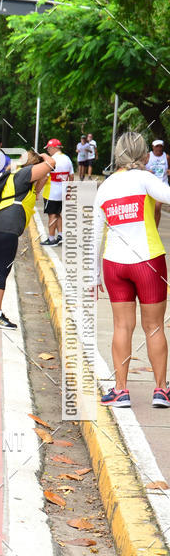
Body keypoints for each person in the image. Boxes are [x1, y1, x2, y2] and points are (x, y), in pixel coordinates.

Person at [95, 130, 170, 408]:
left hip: (113, 264)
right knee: (154, 327)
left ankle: (120, 390)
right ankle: (161, 391)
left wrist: (93, 277)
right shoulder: (146, 178)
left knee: (122, 326)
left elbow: (95, 236)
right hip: (148, 262)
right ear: (143, 154)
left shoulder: (105, 187)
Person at [0, 149, 55, 329]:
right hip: (4, 229)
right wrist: (44, 156)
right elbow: (51, 163)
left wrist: (44, 174)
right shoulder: (24, 174)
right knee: (1, 270)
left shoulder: (19, 177)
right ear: (34, 165)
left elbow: (39, 185)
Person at [40, 138, 74, 245]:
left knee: (52, 215)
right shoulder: (67, 158)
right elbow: (71, 176)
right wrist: (69, 191)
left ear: (54, 148)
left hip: (51, 192)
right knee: (58, 213)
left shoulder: (51, 160)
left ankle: (51, 239)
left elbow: (45, 178)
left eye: (49, 148)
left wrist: (37, 191)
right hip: (62, 191)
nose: (48, 151)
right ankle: (61, 235)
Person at [145, 139, 169, 227]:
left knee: (157, 207)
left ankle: (155, 228)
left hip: (162, 184)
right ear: (153, 147)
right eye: (157, 146)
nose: (158, 148)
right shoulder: (147, 156)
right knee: (149, 208)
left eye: (160, 146)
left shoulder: (166, 157)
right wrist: (147, 171)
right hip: (149, 184)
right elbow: (139, 168)